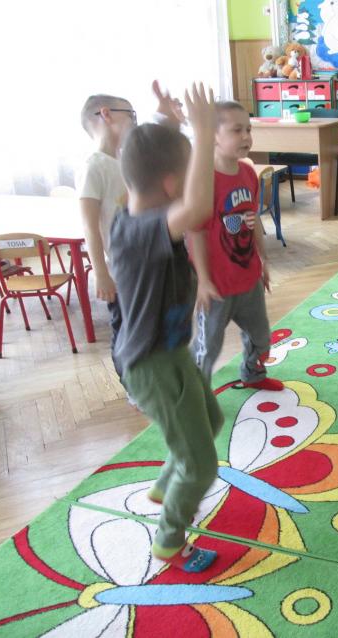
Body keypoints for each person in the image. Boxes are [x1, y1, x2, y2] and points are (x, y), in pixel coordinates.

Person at [111, 83, 223, 573]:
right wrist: (203, 132)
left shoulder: (138, 213)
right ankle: (171, 540)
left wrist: (170, 124)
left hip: (171, 352)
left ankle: (164, 487)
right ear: (174, 186)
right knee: (201, 464)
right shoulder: (139, 232)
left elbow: (150, 162)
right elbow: (196, 209)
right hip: (153, 364)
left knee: (211, 422)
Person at [187, 101, 283, 391]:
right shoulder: (204, 179)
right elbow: (196, 232)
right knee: (207, 348)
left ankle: (253, 375)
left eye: (249, 130)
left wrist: (263, 261)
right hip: (216, 285)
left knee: (261, 337)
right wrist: (203, 280)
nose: (246, 137)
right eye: (236, 130)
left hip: (248, 278)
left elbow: (252, 221)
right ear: (213, 135)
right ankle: (194, 396)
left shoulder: (248, 173)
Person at [77, 93, 136, 376]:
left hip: (141, 263)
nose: (134, 121)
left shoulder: (124, 161)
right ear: (106, 114)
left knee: (143, 325)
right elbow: (89, 225)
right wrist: (101, 273)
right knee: (125, 330)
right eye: (130, 114)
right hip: (120, 270)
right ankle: (131, 384)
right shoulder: (94, 166)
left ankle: (147, 379)